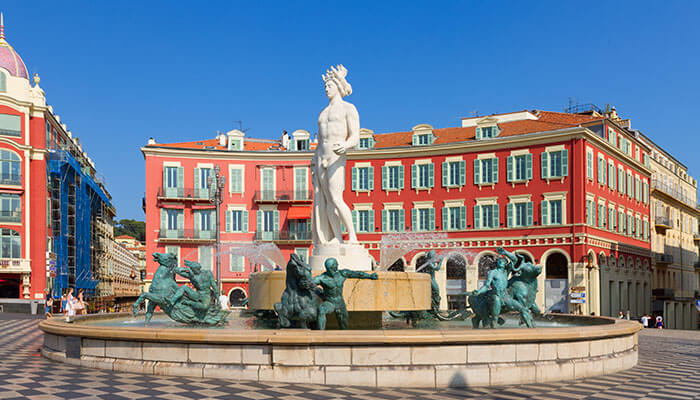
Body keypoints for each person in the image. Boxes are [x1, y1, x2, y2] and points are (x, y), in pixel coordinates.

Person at [311, 65, 360, 246]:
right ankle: (336, 237)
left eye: (330, 86)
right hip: (321, 157)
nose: (326, 89)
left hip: (336, 155)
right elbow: (320, 139)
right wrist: (314, 162)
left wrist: (345, 145)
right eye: (325, 86)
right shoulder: (322, 113)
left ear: (338, 87)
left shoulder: (348, 108)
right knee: (326, 200)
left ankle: (353, 236)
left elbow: (356, 135)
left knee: (336, 197)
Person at [312, 257, 378, 330]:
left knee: (344, 326)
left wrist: (370, 276)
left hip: (340, 303)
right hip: (330, 302)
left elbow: (357, 274)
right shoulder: (322, 278)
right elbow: (310, 283)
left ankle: (345, 338)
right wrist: (314, 289)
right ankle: (320, 335)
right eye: (331, 268)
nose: (334, 270)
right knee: (321, 310)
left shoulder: (342, 274)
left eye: (334, 267)